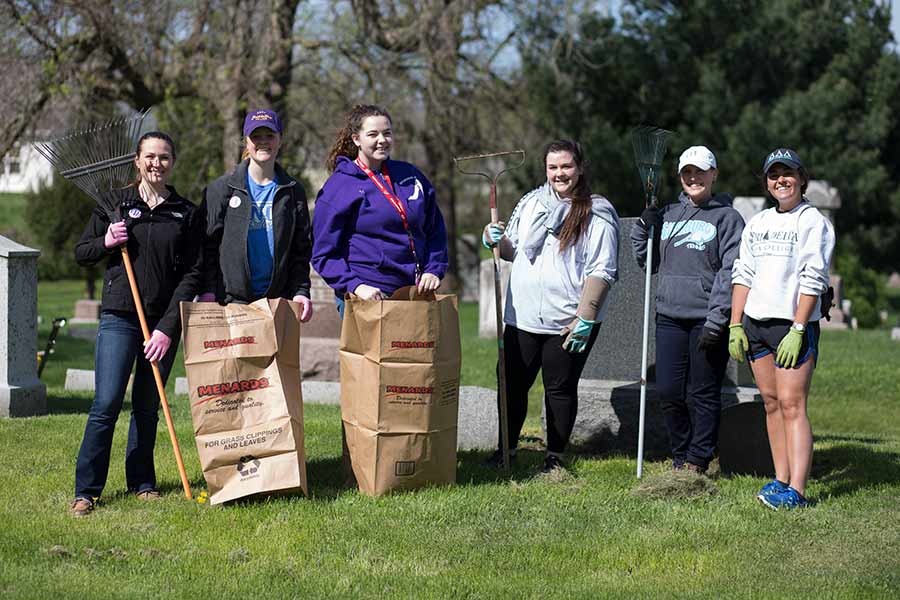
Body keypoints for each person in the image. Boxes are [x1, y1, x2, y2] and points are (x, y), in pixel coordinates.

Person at [70, 131, 203, 516]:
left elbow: (193, 274)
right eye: (149, 156)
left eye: (163, 157)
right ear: (136, 160)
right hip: (119, 318)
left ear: (172, 162)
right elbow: (82, 253)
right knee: (107, 402)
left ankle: (142, 482)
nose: (155, 163)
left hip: (162, 322)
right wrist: (108, 242)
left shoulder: (185, 212)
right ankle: (87, 490)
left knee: (147, 406)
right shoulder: (113, 204)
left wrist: (166, 329)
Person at [482, 140, 619, 472]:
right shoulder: (531, 203)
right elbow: (516, 250)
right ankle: (507, 449)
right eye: (553, 167)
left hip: (566, 319)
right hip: (523, 316)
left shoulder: (595, 211)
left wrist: (585, 317)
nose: (560, 173)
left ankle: (554, 457)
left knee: (558, 388)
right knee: (510, 383)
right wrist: (495, 238)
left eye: (566, 166)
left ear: (580, 168)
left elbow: (602, 268)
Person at [729, 148, 835, 510]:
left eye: (787, 173)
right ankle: (780, 479)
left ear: (801, 179)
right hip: (756, 326)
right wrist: (735, 324)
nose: (781, 180)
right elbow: (743, 273)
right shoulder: (758, 223)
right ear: (766, 183)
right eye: (773, 175)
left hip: (792, 328)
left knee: (793, 404)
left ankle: (799, 491)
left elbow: (813, 276)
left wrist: (799, 327)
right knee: (772, 404)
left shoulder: (812, 221)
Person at [631, 146, 744, 474]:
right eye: (687, 173)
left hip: (706, 319)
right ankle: (680, 454)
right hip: (669, 316)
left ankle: (698, 458)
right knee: (667, 390)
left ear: (714, 174)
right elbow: (647, 260)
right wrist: (643, 226)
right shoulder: (667, 214)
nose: (693, 178)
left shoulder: (727, 218)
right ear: (680, 177)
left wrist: (717, 318)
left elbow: (730, 271)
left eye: (700, 171)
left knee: (703, 393)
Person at [311, 104, 448, 313]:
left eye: (387, 133)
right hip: (369, 296)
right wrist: (356, 286)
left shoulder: (411, 176)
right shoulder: (338, 187)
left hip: (415, 293)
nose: (382, 140)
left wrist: (434, 269)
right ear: (356, 139)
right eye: (373, 134)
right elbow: (324, 253)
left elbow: (435, 230)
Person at [198, 108, 313, 322]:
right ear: (246, 142)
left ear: (280, 139)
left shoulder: (293, 190)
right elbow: (208, 247)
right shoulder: (221, 189)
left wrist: (301, 291)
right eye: (256, 136)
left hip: (278, 303)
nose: (263, 142)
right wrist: (208, 290)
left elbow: (300, 250)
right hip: (231, 303)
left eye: (269, 135)